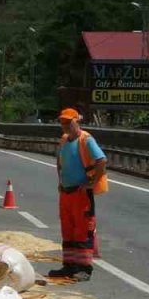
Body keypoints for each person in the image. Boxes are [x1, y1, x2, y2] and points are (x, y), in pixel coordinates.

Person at [50, 108, 108, 281]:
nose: (65, 125)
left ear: (77, 121)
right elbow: (59, 163)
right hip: (66, 193)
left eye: (69, 122)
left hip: (81, 193)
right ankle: (69, 266)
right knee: (68, 230)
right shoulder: (64, 141)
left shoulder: (86, 140)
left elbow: (101, 160)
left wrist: (91, 183)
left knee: (83, 231)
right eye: (63, 122)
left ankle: (84, 268)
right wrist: (60, 182)